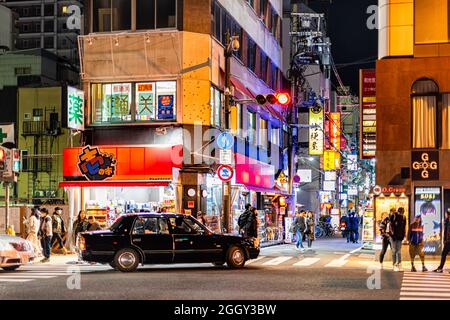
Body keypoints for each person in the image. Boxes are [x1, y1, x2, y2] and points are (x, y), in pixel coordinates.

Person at [390, 207, 407, 272]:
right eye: (400, 213)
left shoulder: (404, 217)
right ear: (398, 212)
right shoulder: (393, 216)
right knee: (394, 250)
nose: (401, 214)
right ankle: (394, 264)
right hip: (393, 236)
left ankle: (399, 264)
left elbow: (404, 227)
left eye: (402, 213)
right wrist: (392, 235)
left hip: (400, 237)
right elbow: (390, 226)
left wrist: (404, 236)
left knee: (399, 251)